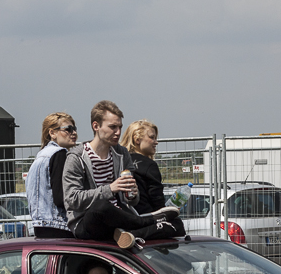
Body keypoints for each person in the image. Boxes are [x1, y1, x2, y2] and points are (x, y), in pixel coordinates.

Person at [62, 100, 178, 249]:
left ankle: (133, 232)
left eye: (120, 127)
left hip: (118, 219)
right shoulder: (76, 158)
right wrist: (110, 189)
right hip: (87, 222)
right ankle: (147, 222)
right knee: (101, 207)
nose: (118, 132)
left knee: (177, 225)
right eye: (112, 127)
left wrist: (132, 194)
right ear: (96, 126)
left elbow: (131, 201)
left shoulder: (122, 153)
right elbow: (72, 199)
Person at [121, 119, 186, 235]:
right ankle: (134, 235)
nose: (156, 142)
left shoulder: (119, 160)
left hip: (124, 217)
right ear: (137, 139)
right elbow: (157, 203)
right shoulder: (149, 165)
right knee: (177, 225)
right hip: (146, 219)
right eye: (152, 137)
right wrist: (171, 211)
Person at [27, 112, 78, 238]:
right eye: (68, 129)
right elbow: (61, 197)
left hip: (40, 226)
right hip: (58, 225)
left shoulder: (40, 156)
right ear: (52, 133)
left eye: (75, 129)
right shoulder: (59, 154)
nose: (74, 133)